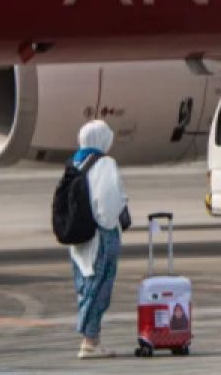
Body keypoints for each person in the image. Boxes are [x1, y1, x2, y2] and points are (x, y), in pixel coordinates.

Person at [68, 120, 127, 358]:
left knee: (85, 285)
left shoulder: (75, 162)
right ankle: (90, 340)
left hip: (80, 237)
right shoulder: (105, 163)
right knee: (100, 287)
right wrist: (111, 223)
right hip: (102, 234)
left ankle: (91, 339)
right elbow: (110, 201)